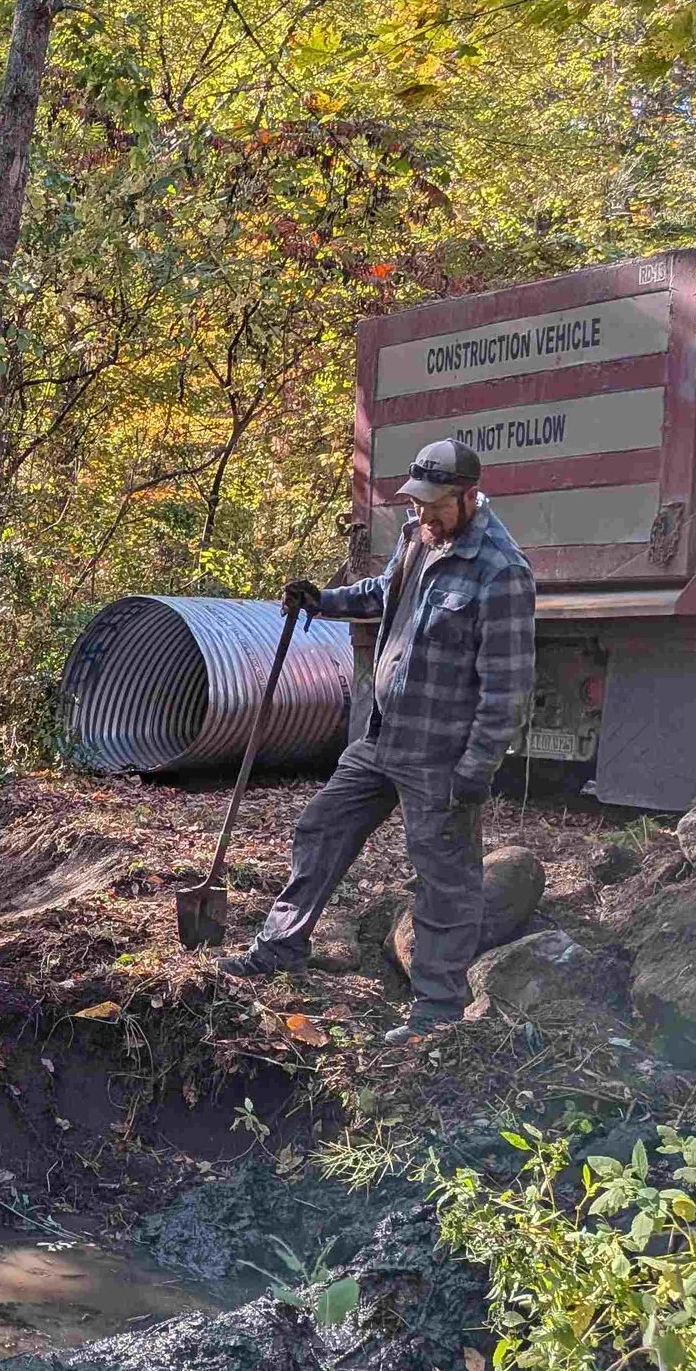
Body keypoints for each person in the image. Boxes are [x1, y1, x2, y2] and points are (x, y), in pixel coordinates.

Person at [218, 438, 536, 1041]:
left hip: (439, 756)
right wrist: (325, 600)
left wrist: (477, 767)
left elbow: (509, 687)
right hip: (382, 737)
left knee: (443, 876)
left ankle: (437, 1012)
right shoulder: (418, 538)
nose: (422, 516)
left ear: (469, 497)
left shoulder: (501, 570)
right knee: (321, 826)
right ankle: (281, 945)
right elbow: (382, 593)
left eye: (436, 505)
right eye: (416, 504)